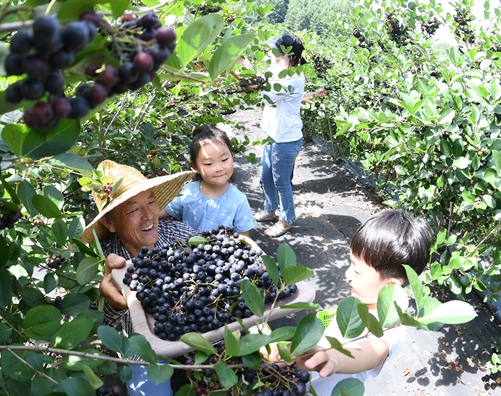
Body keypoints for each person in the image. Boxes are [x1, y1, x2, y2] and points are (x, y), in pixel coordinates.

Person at [268, 209, 432, 395]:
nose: (347, 274)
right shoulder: (360, 300)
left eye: (357, 271)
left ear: (391, 285)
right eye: (350, 264)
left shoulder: (391, 331)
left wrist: (335, 358)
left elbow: (370, 352)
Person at [81, 159, 197, 396]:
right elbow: (105, 334)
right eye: (133, 209)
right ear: (109, 222)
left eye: (151, 202)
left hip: (196, 329)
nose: (148, 215)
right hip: (146, 347)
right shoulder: (106, 267)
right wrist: (114, 303)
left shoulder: (182, 236)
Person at [253, 33, 327, 237]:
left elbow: (269, 95)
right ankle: (270, 210)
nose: (273, 54)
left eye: (278, 52)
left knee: (281, 181)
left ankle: (286, 220)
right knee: (265, 176)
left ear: (290, 56)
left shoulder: (292, 76)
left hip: (286, 138)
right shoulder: (283, 72)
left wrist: (253, 67)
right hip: (272, 134)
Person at [159, 124, 255, 236]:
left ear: (232, 157)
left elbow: (243, 239)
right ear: (195, 167)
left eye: (224, 159)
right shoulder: (187, 192)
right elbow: (158, 213)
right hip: (189, 251)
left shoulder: (239, 200)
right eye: (208, 163)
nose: (218, 168)